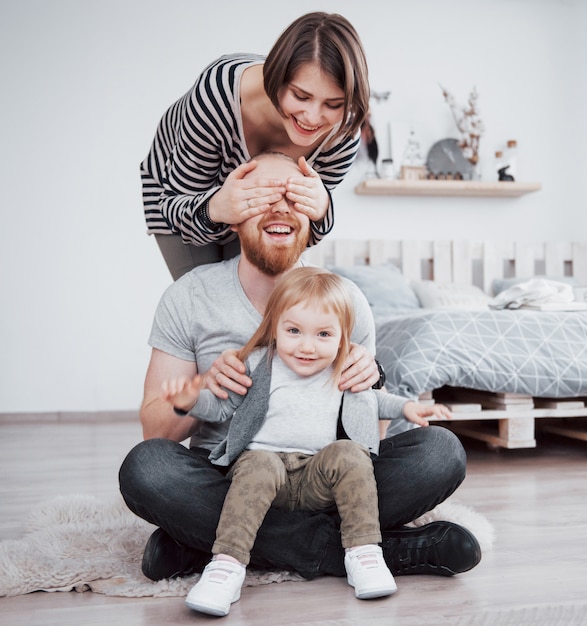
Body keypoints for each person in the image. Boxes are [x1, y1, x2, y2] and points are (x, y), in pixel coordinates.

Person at [119, 152, 481, 596]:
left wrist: (371, 381)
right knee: (147, 469)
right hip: (231, 474)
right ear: (232, 216)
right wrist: (199, 387)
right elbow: (154, 432)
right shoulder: (189, 297)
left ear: (312, 217)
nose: (281, 207)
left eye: (295, 196)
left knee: (440, 452)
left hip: (327, 476)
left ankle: (210, 546)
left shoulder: (345, 299)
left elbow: (371, 441)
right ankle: (367, 552)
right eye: (262, 196)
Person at [161, 266, 453, 615]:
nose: (307, 346)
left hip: (319, 480)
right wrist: (190, 400)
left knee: (352, 453)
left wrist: (408, 407)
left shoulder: (345, 366)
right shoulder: (257, 363)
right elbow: (222, 407)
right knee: (248, 463)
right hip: (262, 478)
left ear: (344, 336)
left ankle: (364, 553)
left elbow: (372, 401)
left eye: (324, 335)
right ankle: (227, 566)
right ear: (275, 326)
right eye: (294, 331)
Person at [141, 11, 370, 280]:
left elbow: (306, 230)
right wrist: (215, 208)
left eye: (333, 104)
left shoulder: (342, 132)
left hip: (259, 214)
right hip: (182, 199)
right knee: (206, 301)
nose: (313, 117)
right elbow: (176, 207)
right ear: (277, 79)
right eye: (300, 96)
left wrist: (322, 209)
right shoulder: (217, 96)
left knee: (270, 305)